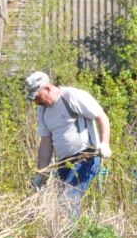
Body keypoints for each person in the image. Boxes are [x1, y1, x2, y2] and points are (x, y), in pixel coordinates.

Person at [27, 70, 111, 200]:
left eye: (37, 98)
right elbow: (45, 143)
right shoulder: (42, 111)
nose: (36, 102)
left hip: (85, 157)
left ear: (48, 89)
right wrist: (42, 172)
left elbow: (102, 118)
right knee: (57, 203)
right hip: (64, 163)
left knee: (69, 199)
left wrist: (104, 143)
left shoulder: (72, 96)